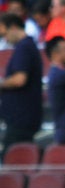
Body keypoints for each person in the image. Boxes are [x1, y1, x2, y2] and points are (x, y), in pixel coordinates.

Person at [0, 12, 43, 156]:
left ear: (13, 27)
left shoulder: (24, 48)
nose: (4, 38)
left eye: (4, 33)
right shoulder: (26, 46)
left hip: (21, 117)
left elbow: (19, 79)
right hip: (23, 116)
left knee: (13, 160)